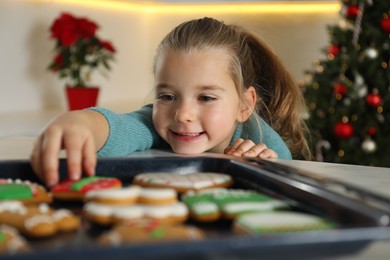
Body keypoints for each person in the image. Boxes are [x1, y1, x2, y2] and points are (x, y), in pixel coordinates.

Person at [30, 17, 311, 187]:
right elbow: (117, 126)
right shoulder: (155, 124)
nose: (183, 114)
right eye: (167, 96)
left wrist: (263, 166)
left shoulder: (259, 137)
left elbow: (287, 174)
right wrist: (79, 122)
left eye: (206, 97)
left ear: (245, 105)